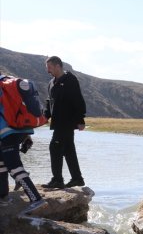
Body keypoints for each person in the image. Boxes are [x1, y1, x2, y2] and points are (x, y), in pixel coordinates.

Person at [0, 73, 48, 214]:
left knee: (14, 167)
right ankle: (3, 196)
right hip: (20, 129)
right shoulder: (8, 81)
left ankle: (36, 199)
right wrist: (26, 136)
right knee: (1, 162)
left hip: (7, 132)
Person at [42, 56, 87, 189]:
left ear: (58, 66)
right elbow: (49, 101)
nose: (48, 71)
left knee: (54, 147)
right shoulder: (51, 83)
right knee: (68, 149)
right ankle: (77, 178)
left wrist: (80, 119)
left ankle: (57, 180)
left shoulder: (70, 80)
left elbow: (77, 99)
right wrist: (45, 116)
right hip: (57, 121)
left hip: (67, 121)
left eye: (49, 68)